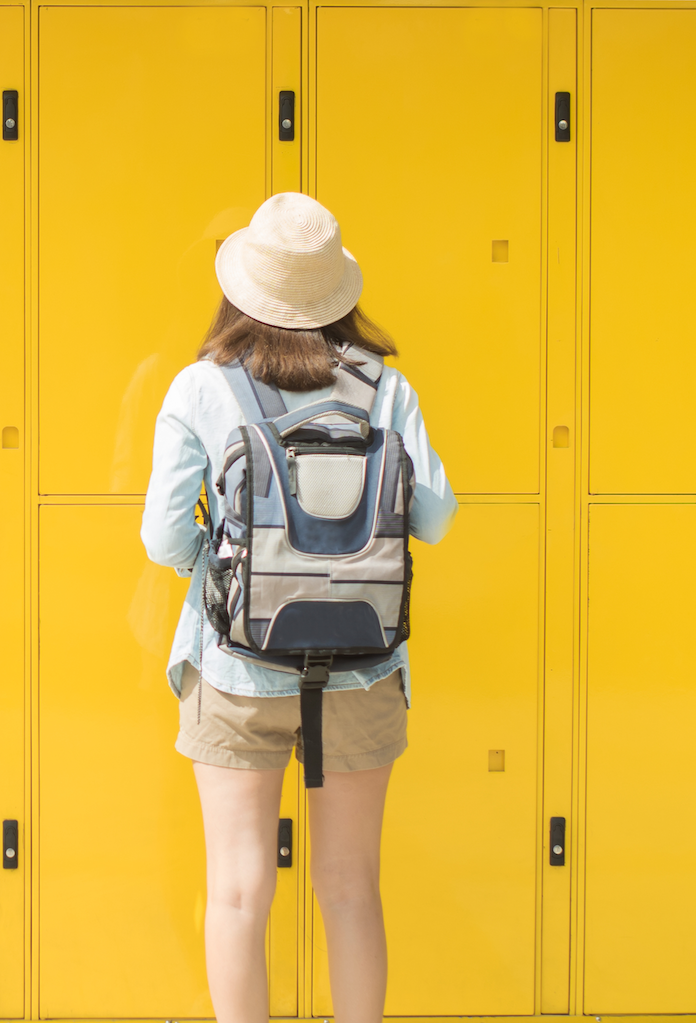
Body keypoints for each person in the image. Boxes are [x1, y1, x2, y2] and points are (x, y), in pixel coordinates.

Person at [140, 192, 457, 1023]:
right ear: (337, 292)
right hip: (363, 668)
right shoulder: (387, 388)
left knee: (239, 892)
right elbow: (437, 516)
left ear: (243, 290)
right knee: (351, 888)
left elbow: (163, 538)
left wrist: (227, 553)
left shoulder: (201, 388)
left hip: (238, 667)